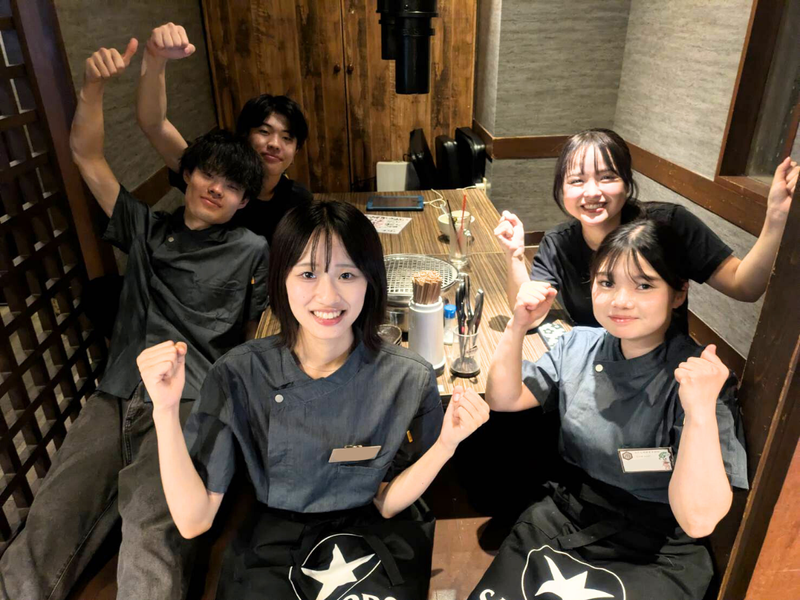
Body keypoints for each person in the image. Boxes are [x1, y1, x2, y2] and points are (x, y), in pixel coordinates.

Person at [0, 40, 269, 600]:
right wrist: (92, 89)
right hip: (116, 393)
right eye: (209, 174)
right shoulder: (145, 228)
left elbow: (251, 334)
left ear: (244, 202)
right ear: (186, 174)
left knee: (150, 527)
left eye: (232, 186)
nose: (216, 188)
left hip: (192, 397)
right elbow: (88, 157)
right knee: (50, 517)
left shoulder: (251, 249)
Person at [137, 200, 491, 599]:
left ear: (370, 281)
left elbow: (388, 503)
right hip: (275, 541)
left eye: (346, 274)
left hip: (372, 536)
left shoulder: (407, 377)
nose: (328, 295)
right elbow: (194, 521)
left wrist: (447, 443)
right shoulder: (240, 374)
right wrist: (165, 410)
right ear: (281, 280)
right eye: (307, 273)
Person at [471, 219, 748, 600]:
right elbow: (504, 399)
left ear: (678, 293)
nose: (620, 300)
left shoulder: (700, 377)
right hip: (567, 515)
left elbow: (698, 521)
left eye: (644, 285)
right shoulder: (578, 344)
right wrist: (517, 326)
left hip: (658, 547)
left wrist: (699, 410)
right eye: (606, 282)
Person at [495, 128, 800, 330]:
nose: (592, 192)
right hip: (594, 363)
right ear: (562, 191)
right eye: (577, 181)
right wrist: (515, 256)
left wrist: (776, 218)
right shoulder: (558, 243)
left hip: (662, 370)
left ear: (627, 184)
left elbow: (744, 286)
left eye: (607, 177)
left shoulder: (669, 225)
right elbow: (530, 316)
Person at [137, 22, 313, 245]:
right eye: (264, 131)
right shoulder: (211, 176)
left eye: (287, 138)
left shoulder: (298, 199)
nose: (275, 144)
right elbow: (155, 125)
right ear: (245, 135)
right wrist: (155, 59)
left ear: (295, 151)